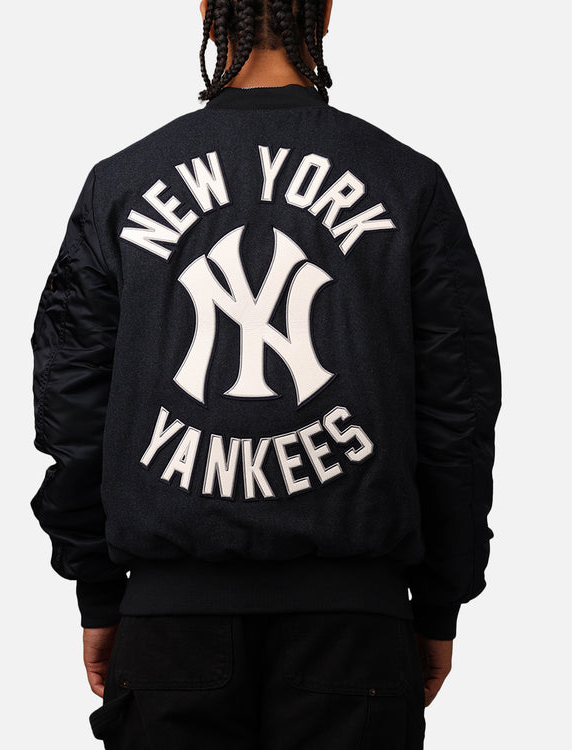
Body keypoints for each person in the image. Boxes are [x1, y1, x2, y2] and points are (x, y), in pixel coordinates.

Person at [29, 1, 502, 748]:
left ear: (208, 12)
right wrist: (440, 602)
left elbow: (70, 404)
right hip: (357, 632)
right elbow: (458, 413)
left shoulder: (121, 184)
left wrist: (97, 591)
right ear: (325, 11)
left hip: (168, 632)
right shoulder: (406, 181)